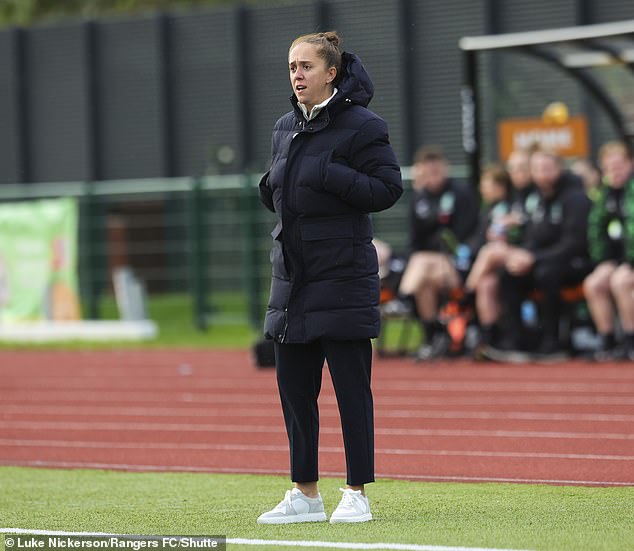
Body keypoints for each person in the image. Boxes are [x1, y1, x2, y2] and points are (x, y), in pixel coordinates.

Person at [256, 31, 402, 524]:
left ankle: (356, 492)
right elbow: (280, 187)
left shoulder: (365, 125)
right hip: (292, 281)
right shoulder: (283, 127)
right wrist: (270, 184)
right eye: (292, 67)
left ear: (331, 73)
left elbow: (387, 189)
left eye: (306, 67)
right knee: (295, 394)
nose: (297, 75)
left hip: (342, 278)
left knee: (350, 395)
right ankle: (305, 494)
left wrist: (328, 174)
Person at [487, 148, 592, 360]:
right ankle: (517, 340)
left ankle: (552, 341)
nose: (542, 174)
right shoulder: (537, 198)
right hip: (543, 260)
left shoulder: (576, 197)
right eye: (537, 169)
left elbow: (574, 244)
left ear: (559, 168)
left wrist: (534, 258)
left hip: (576, 263)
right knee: (508, 274)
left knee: (546, 274)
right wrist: (522, 255)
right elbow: (534, 235)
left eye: (547, 168)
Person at [398, 146, 478, 361]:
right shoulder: (419, 199)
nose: (434, 176)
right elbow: (415, 240)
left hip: (457, 265)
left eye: (437, 170)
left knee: (424, 263)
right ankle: (433, 337)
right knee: (424, 282)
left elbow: (468, 233)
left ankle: (403, 296)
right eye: (429, 172)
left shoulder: (461, 194)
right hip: (428, 270)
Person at [583, 141, 634, 361]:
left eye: (619, 165)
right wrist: (602, 260)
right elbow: (596, 230)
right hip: (617, 260)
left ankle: (630, 340)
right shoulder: (604, 195)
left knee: (621, 282)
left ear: (630, 164)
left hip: (630, 262)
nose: (615, 171)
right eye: (610, 168)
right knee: (594, 284)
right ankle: (608, 339)